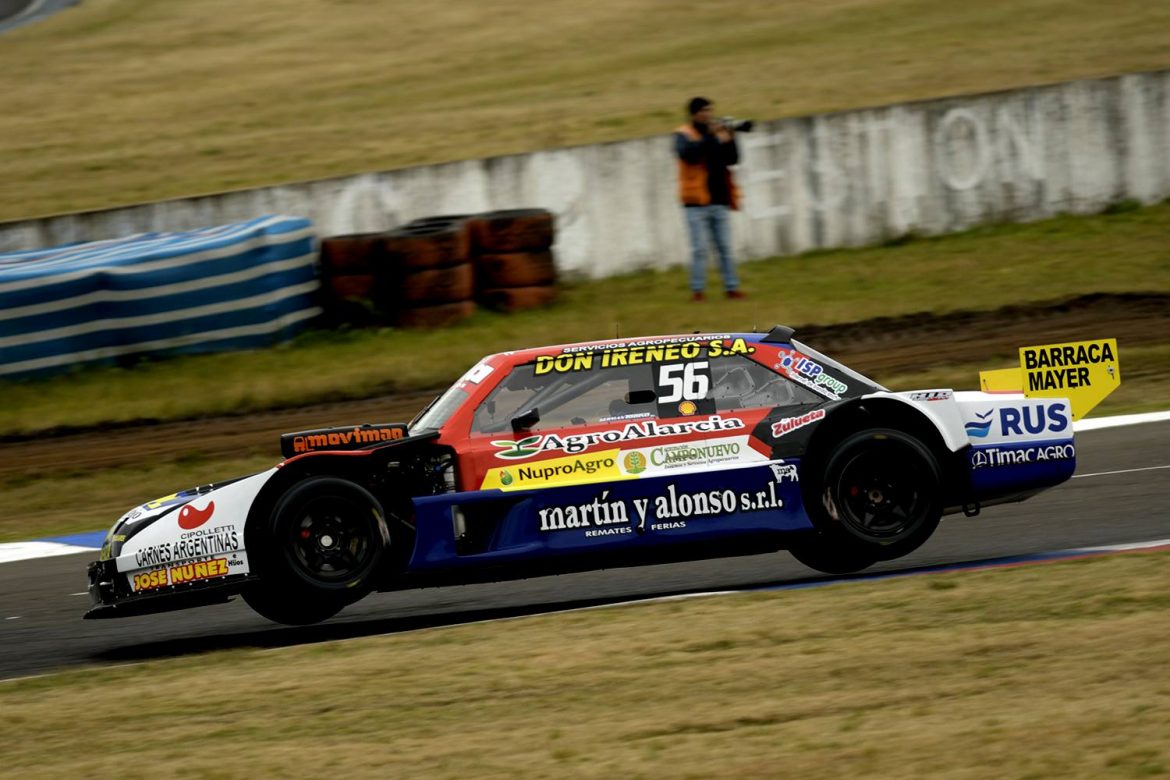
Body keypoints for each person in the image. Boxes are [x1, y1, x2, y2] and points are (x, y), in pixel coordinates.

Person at [674, 96, 744, 301]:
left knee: (725, 248)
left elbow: (733, 159)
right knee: (699, 250)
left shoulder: (717, 134)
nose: (708, 115)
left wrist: (731, 137)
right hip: (695, 202)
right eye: (704, 111)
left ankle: (732, 288)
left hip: (719, 200)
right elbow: (690, 156)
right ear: (694, 114)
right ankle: (698, 291)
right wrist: (711, 136)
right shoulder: (683, 134)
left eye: (710, 110)